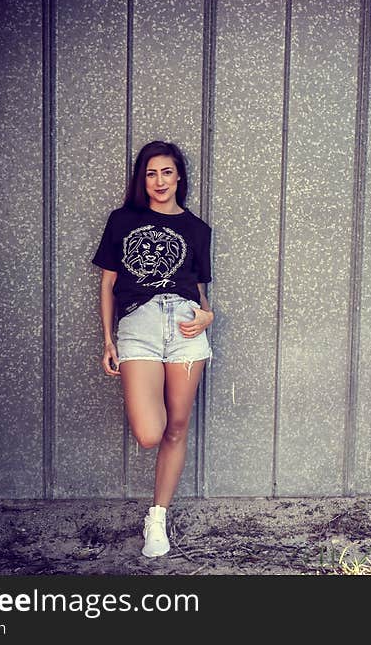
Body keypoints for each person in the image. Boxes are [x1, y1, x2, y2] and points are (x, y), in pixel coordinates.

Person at [92, 140, 214, 558]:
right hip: (139, 324)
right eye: (150, 173)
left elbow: (198, 290)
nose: (159, 181)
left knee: (178, 427)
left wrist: (208, 316)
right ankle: (158, 511)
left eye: (166, 172)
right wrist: (109, 339)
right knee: (150, 433)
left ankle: (157, 518)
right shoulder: (123, 220)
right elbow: (108, 284)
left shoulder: (197, 229)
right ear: (141, 179)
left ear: (179, 176)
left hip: (185, 326)